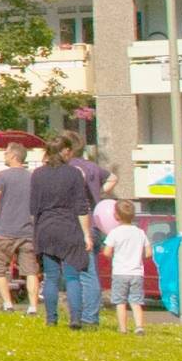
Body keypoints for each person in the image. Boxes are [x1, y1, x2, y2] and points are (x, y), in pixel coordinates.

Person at [30, 138, 95, 328]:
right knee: (72, 277)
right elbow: (81, 207)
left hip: (46, 228)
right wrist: (86, 234)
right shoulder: (74, 174)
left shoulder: (37, 174)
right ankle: (75, 319)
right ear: (65, 151)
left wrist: (37, 233)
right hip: (69, 228)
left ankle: (51, 319)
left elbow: (33, 208)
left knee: (51, 277)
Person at [60, 135, 114, 327]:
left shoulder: (72, 167)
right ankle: (88, 314)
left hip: (80, 224)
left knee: (82, 273)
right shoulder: (91, 166)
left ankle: (89, 317)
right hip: (96, 222)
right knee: (91, 272)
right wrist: (98, 194)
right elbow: (113, 178)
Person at [0, 141, 43, 316]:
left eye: (5, 153)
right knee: (30, 270)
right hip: (28, 230)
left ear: (13, 156)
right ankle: (33, 307)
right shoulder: (33, 176)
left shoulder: (2, 176)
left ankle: (8, 304)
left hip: (6, 229)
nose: (4, 156)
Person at [100, 201, 149, 336]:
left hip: (120, 272)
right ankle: (139, 327)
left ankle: (123, 328)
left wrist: (114, 257)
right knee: (136, 301)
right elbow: (149, 253)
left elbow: (106, 252)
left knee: (120, 302)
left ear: (116, 216)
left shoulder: (114, 232)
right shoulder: (140, 232)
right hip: (137, 273)